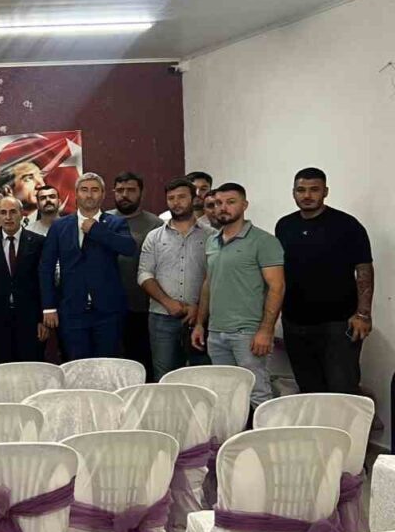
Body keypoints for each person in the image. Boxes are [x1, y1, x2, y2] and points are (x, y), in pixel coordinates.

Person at [274, 167, 373, 395]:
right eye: (301, 190)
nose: (307, 195)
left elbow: (364, 270)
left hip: (338, 324)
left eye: (314, 189)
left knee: (342, 390)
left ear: (325, 191)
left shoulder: (347, 225)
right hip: (295, 323)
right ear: (293, 192)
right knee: (309, 391)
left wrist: (363, 314)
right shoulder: (285, 225)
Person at [192, 183, 284, 409]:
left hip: (248, 333)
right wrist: (200, 324)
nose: (223, 208)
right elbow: (208, 284)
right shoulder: (212, 241)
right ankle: (234, 433)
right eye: (218, 203)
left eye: (230, 202)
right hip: (216, 332)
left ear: (244, 205)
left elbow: (277, 287)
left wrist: (266, 330)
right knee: (225, 396)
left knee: (257, 393)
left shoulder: (264, 241)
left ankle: (265, 432)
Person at [40, 173, 137, 359]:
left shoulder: (115, 223)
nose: (89, 195)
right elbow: (46, 268)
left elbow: (129, 248)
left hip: (108, 312)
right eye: (84, 190)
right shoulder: (59, 226)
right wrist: (49, 307)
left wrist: (96, 230)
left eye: (95, 190)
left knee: (107, 365)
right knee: (76, 365)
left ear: (103, 194)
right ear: (76, 194)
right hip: (72, 311)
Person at [138, 178, 214, 379]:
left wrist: (198, 309)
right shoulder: (154, 237)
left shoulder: (211, 237)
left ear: (193, 198)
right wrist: (169, 303)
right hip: (162, 317)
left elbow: (214, 277)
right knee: (164, 376)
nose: (176, 202)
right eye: (171, 198)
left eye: (181, 197)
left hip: (201, 318)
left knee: (202, 376)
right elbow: (144, 274)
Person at [0, 197, 48, 364]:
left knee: (31, 367)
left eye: (13, 212)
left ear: (21, 214)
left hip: (30, 319)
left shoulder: (37, 242)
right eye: (3, 212)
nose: (8, 217)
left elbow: (43, 283)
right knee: (3, 367)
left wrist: (42, 319)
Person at [107, 172, 164, 379]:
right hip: (108, 306)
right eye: (120, 190)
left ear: (141, 192)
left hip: (142, 306)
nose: (125, 195)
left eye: (131, 190)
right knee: (112, 364)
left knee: (142, 362)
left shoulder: (155, 225)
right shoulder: (103, 220)